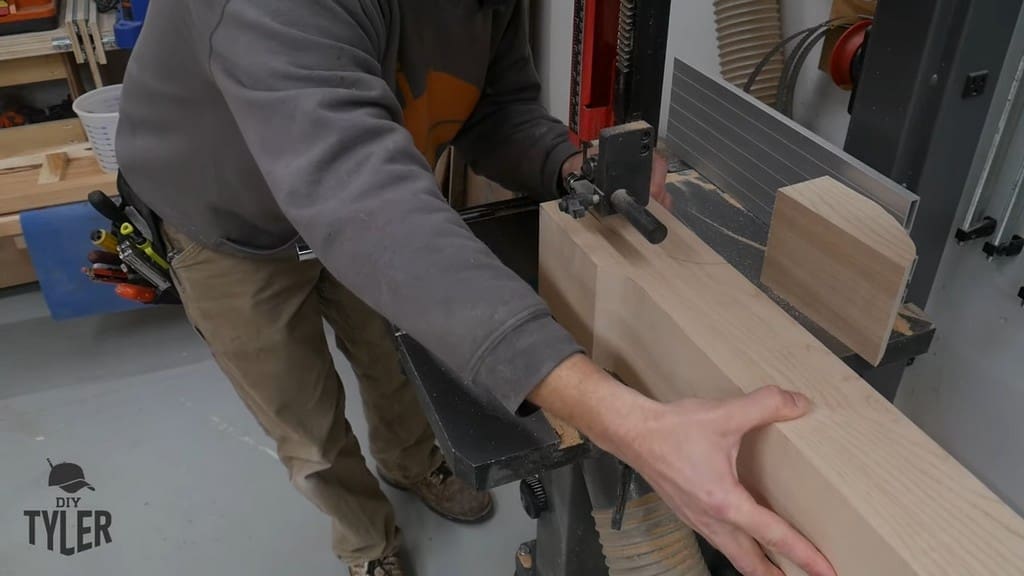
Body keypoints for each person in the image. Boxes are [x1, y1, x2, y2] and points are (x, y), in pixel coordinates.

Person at [115, 1, 837, 575]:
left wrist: (570, 163)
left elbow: (493, 109)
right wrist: (630, 424)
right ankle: (366, 544)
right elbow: (358, 197)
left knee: (395, 361)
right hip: (228, 227)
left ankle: (412, 464)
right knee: (305, 421)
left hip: (355, 201)